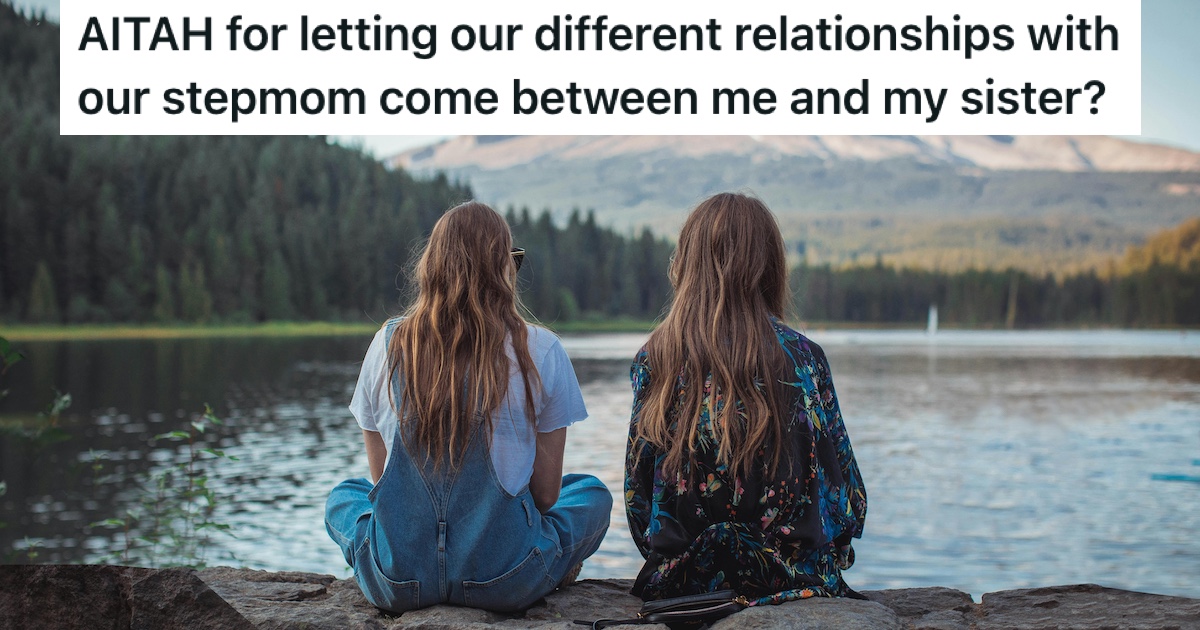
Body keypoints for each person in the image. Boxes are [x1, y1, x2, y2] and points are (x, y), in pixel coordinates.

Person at [325, 201, 611, 613]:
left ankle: (379, 562)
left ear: (432, 267)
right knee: (590, 493)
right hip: (504, 580)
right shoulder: (541, 349)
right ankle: (552, 561)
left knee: (345, 496)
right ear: (503, 270)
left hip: (400, 581)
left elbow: (382, 485)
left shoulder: (388, 344)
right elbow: (547, 496)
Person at [624, 192, 867, 605]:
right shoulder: (804, 357)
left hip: (685, 581)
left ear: (687, 263)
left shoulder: (655, 358)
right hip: (791, 578)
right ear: (769, 267)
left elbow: (638, 500)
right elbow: (848, 501)